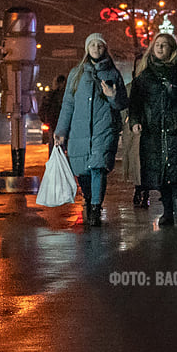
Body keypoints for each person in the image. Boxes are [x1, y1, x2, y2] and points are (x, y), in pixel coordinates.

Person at [54, 32, 128, 227]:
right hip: (79, 131)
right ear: (87, 48)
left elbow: (122, 104)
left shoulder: (113, 73)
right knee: (83, 172)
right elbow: (68, 104)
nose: (96, 48)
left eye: (100, 45)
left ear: (105, 48)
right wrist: (61, 131)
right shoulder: (76, 73)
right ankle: (88, 200)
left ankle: (95, 207)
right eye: (93, 45)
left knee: (98, 167)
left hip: (103, 130)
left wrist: (113, 95)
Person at [129, 32, 177, 225]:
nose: (160, 48)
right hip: (153, 131)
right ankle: (167, 210)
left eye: (164, 45)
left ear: (172, 48)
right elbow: (135, 102)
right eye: (157, 44)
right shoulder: (145, 74)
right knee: (159, 173)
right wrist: (135, 121)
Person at [38, 75, 67, 154]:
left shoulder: (49, 95)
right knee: (62, 145)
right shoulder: (66, 95)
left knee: (53, 145)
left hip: (53, 123)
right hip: (63, 124)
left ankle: (54, 163)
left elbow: (42, 110)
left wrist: (46, 120)